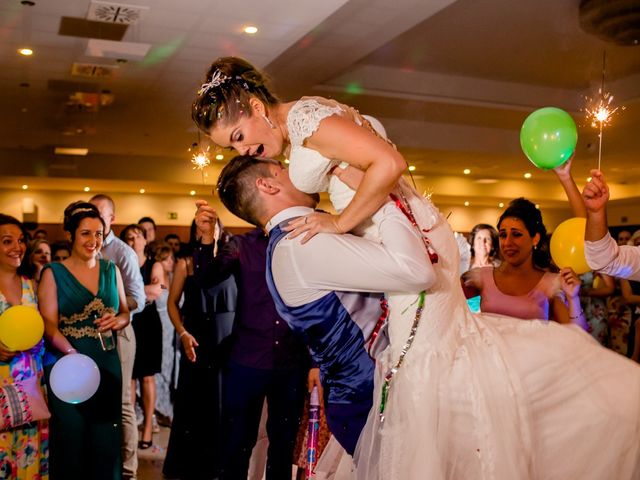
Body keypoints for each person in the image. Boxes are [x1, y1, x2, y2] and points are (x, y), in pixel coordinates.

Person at [193, 57, 640, 479]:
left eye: (237, 137)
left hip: (407, 248)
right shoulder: (310, 119)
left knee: (426, 397)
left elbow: (390, 164)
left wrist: (340, 222)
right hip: (415, 234)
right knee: (451, 381)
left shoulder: (306, 121)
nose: (243, 149)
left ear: (255, 107)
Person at [193, 200, 311, 479]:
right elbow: (207, 278)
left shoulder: (306, 242)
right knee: (236, 442)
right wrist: (207, 238)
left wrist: (316, 361)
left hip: (292, 361)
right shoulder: (242, 244)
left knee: (283, 445)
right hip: (247, 358)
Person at [38, 202, 129, 479]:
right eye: (86, 234)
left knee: (106, 439)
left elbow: (126, 312)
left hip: (107, 362)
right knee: (72, 438)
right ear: (71, 235)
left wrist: (119, 320)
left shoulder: (111, 270)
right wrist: (73, 354)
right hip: (68, 365)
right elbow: (48, 326)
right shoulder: (54, 273)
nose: (94, 241)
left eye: (99, 234)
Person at [163, 221, 236, 479]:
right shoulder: (185, 262)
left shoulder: (232, 259)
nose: (206, 231)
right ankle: (188, 466)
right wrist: (182, 333)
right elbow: (172, 303)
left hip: (227, 339)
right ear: (195, 232)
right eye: (200, 227)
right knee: (193, 401)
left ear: (219, 230)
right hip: (195, 337)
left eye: (211, 227)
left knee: (223, 401)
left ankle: (220, 465)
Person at [462, 198, 587, 328]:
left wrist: (574, 299)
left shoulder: (551, 284)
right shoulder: (480, 278)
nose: (507, 242)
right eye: (503, 235)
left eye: (516, 234)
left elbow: (578, 335)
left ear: (535, 239)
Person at [90, 194, 145, 480]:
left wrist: (118, 312)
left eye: (101, 213)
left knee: (122, 401)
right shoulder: (84, 249)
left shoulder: (122, 253)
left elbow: (139, 297)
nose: (96, 218)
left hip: (120, 333)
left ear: (112, 218)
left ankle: (128, 470)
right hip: (88, 336)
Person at [0, 214, 48, 478]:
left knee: (28, 452)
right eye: (7, 241)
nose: (17, 247)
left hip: (29, 384)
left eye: (20, 240)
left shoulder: (32, 284)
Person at [120, 224, 163, 450]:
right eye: (129, 237)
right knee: (130, 379)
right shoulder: (122, 267)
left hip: (148, 324)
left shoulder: (154, 264)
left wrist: (131, 295)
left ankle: (147, 427)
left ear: (146, 241)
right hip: (127, 322)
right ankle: (130, 428)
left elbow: (156, 292)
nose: (134, 241)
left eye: (138, 236)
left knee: (147, 377)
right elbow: (118, 296)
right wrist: (140, 293)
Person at [153, 244, 177, 426]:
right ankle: (158, 409)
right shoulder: (157, 269)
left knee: (168, 366)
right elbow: (156, 293)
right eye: (167, 258)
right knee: (161, 366)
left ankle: (165, 409)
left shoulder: (171, 276)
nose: (171, 262)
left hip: (171, 328)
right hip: (161, 325)